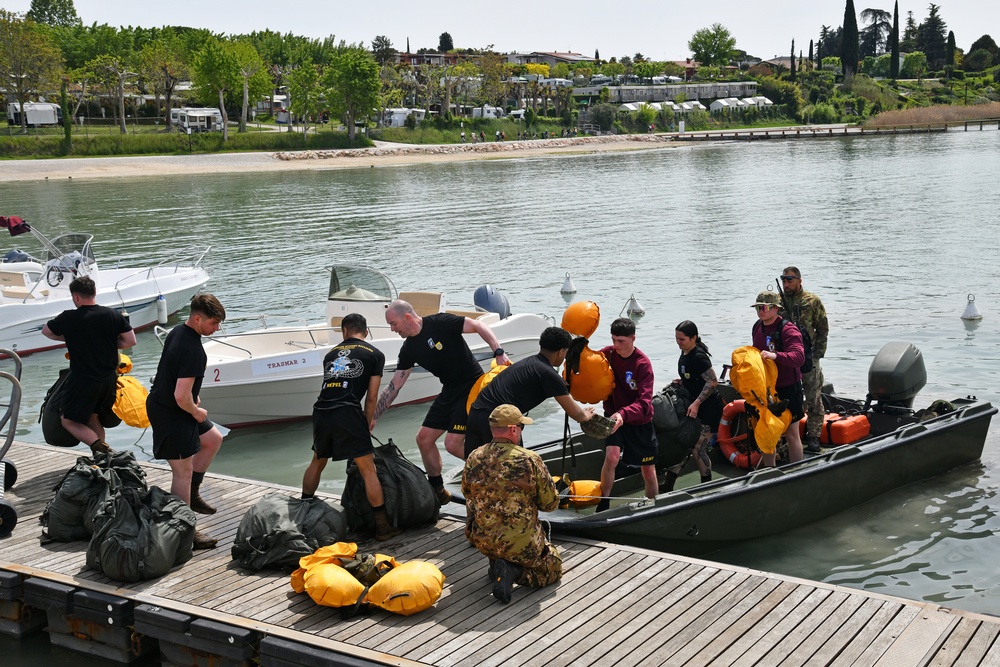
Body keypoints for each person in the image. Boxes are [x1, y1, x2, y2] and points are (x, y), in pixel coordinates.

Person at [373, 299, 510, 504]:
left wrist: (498, 351)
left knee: (453, 445)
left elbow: (479, 325)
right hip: (449, 391)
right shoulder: (409, 348)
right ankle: (438, 490)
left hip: (471, 386)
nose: (392, 329)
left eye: (393, 323)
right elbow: (394, 386)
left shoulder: (440, 322)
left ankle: (497, 471)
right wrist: (372, 417)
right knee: (424, 439)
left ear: (407, 317)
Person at [301, 313, 400, 541]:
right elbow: (372, 397)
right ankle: (382, 527)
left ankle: (303, 510)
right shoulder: (375, 354)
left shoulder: (330, 354)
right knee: (368, 469)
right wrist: (366, 425)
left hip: (322, 410)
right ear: (365, 332)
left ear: (344, 331)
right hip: (348, 411)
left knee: (317, 461)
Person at [146, 294, 227, 549]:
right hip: (170, 412)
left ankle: (192, 494)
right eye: (214, 323)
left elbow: (171, 373)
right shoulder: (194, 350)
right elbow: (181, 396)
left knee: (212, 439)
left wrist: (193, 395)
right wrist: (195, 411)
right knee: (183, 471)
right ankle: (185, 531)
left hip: (173, 404)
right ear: (198, 318)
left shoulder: (178, 332)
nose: (216, 329)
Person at [462, 404, 562, 604]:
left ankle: (498, 564)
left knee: (497, 536)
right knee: (553, 567)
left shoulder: (474, 456)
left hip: (484, 540)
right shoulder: (529, 460)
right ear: (513, 429)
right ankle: (513, 571)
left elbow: (467, 493)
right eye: (521, 427)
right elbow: (550, 504)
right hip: (521, 544)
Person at [464, 326, 594, 458]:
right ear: (560, 352)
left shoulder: (530, 363)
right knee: (513, 470)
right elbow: (576, 414)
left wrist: (559, 384)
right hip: (499, 422)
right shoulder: (548, 374)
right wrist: (586, 415)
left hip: (475, 414)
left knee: (476, 468)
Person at [42, 276, 137, 454]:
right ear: (94, 293)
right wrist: (105, 342)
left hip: (83, 380)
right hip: (109, 379)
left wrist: (72, 338)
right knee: (93, 418)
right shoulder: (112, 314)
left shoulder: (69, 317)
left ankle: (102, 448)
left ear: (76, 297)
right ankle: (101, 459)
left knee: (68, 420)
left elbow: (47, 332)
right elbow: (130, 340)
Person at [596, 317, 658, 512]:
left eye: (621, 341)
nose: (616, 345)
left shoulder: (643, 364)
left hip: (639, 420)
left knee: (648, 470)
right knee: (612, 457)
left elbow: (644, 402)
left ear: (633, 338)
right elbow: (588, 365)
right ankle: (604, 501)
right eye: (613, 340)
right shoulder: (607, 354)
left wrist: (624, 414)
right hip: (613, 417)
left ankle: (653, 504)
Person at [667, 320, 723, 489]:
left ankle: (707, 485)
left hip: (709, 408)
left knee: (698, 449)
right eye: (676, 338)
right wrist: (682, 382)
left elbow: (713, 382)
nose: (678, 342)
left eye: (682, 339)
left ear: (694, 338)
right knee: (683, 444)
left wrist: (697, 403)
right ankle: (668, 485)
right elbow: (693, 377)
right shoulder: (685, 352)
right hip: (692, 406)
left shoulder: (698, 356)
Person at [752, 290, 805, 466]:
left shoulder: (788, 329)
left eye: (764, 307)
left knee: (791, 433)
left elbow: (799, 357)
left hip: (789, 387)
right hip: (767, 389)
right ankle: (770, 471)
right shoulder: (757, 327)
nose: (761, 311)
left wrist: (775, 356)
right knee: (768, 432)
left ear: (776, 308)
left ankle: (797, 470)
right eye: (758, 308)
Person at [779, 266, 829, 454]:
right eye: (783, 280)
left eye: (790, 280)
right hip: (787, 358)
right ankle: (787, 435)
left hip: (808, 356)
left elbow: (823, 327)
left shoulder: (812, 301)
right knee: (788, 397)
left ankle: (814, 435)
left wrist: (818, 354)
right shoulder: (778, 303)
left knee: (813, 396)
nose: (786, 284)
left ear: (799, 280)